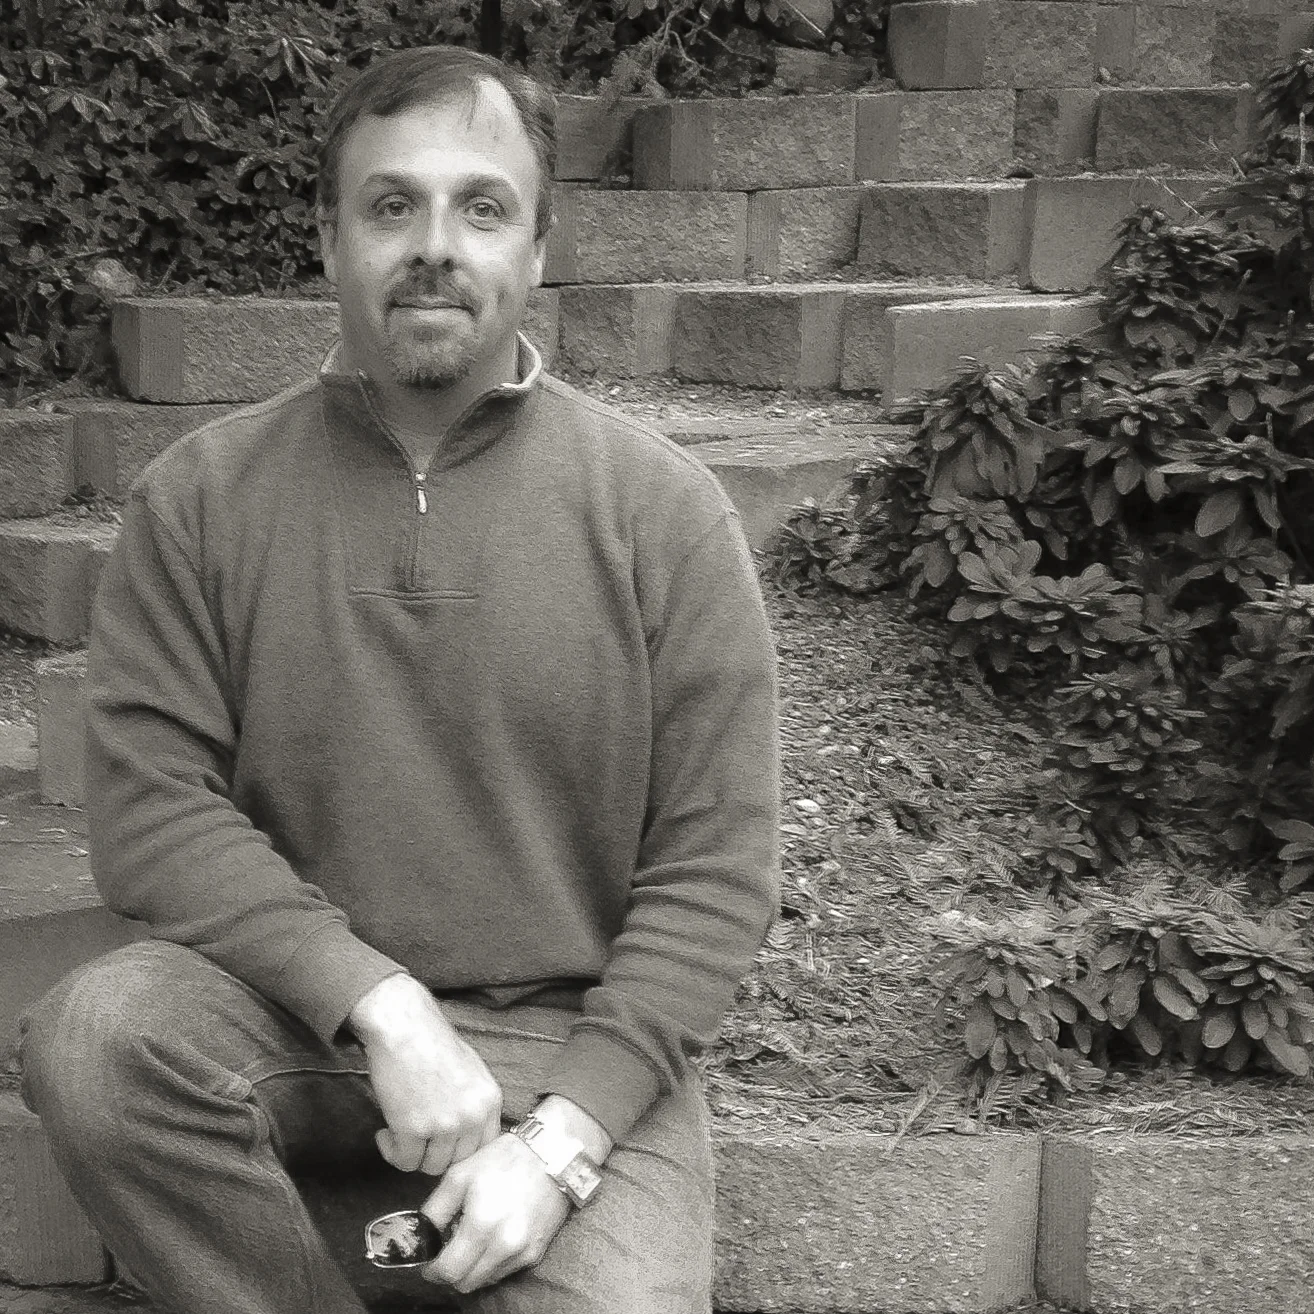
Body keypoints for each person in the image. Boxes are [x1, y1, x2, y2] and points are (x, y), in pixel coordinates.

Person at [17, 42, 781, 1314]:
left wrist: (563, 1144)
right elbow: (150, 812)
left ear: (538, 247)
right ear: (329, 240)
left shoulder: (665, 515)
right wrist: (380, 1004)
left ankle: (424, 1240)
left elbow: (716, 871)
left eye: (481, 207)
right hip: (290, 1023)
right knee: (98, 1038)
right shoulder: (200, 500)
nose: (435, 246)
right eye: (391, 206)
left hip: (567, 1050)